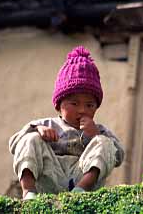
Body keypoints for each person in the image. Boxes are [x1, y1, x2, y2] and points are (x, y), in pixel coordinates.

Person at [9, 46, 124, 200]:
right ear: (59, 105)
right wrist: (38, 130)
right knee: (30, 139)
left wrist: (96, 135)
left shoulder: (99, 130)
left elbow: (119, 156)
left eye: (89, 105)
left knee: (105, 142)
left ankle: (81, 190)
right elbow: (14, 143)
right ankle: (29, 191)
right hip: (51, 176)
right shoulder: (46, 124)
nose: (82, 110)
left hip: (80, 177)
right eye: (74, 104)